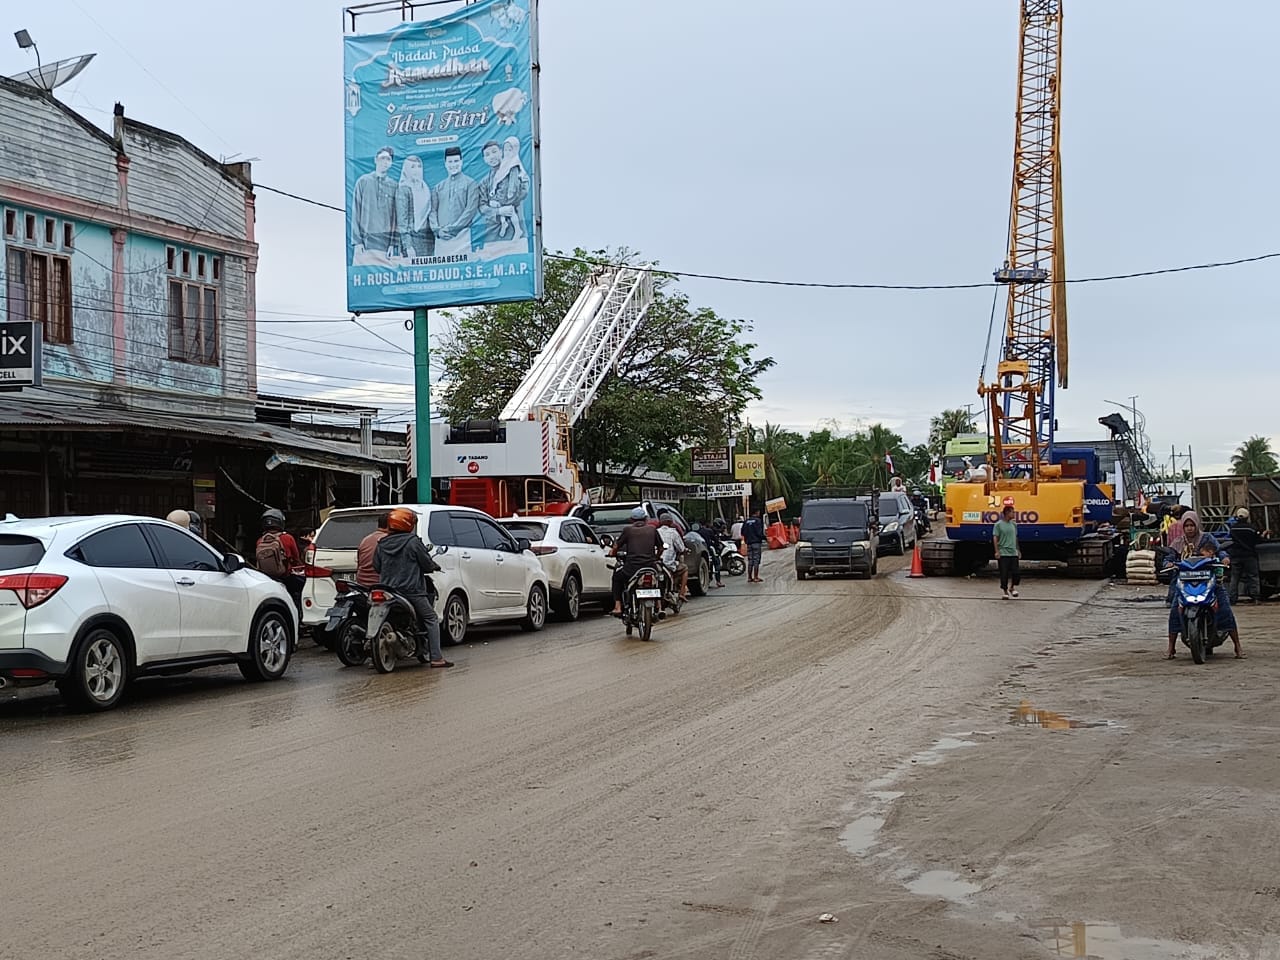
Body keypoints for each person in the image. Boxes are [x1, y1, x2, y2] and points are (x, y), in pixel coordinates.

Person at [373, 507, 452, 668]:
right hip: (412, 591)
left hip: (388, 591)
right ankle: (436, 658)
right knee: (431, 619)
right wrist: (433, 567)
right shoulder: (413, 542)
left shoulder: (382, 543)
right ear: (408, 524)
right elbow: (426, 564)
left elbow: (377, 566)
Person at [1162, 510, 1244, 660]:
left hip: (1209, 581)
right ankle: (1171, 648)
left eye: (1192, 525)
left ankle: (1237, 646)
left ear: (1197, 524)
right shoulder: (1178, 542)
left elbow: (1220, 551)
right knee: (1175, 613)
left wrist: (1224, 559)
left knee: (1225, 610)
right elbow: (1170, 556)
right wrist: (1168, 562)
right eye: (1186, 526)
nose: (1189, 528)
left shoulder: (1207, 538)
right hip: (1185, 583)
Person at [609, 507, 664, 616]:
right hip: (650, 566)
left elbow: (616, 546)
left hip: (631, 569)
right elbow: (661, 548)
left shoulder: (627, 530)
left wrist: (612, 553)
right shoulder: (652, 529)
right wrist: (656, 558)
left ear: (631, 520)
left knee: (616, 577)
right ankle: (659, 606)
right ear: (645, 519)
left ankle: (618, 606)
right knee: (660, 578)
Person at [431, 146, 480, 257]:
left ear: (462, 161)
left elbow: (470, 210)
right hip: (441, 237)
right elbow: (432, 211)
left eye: (456, 161)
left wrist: (453, 229)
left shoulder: (471, 184)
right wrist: (438, 231)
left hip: (462, 236)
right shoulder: (438, 187)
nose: (453, 164)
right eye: (450, 162)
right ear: (445, 163)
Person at [351, 146, 397, 261]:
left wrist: (393, 244)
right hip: (364, 245)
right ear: (375, 160)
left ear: (391, 163)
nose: (385, 162)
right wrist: (357, 242)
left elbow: (395, 218)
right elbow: (356, 212)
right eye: (382, 158)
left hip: (386, 249)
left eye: (388, 159)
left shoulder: (394, 186)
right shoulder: (363, 181)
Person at [256, 508, 304, 613]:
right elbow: (296, 559)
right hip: (286, 577)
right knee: (304, 587)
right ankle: (300, 614)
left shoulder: (260, 541)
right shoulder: (288, 538)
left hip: (267, 579)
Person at [394, 155, 434, 259]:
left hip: (428, 239)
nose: (416, 170)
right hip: (412, 239)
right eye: (412, 167)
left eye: (419, 166)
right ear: (406, 170)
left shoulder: (425, 188)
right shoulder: (403, 189)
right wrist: (408, 246)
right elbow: (402, 220)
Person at [1227, 507, 1261, 604]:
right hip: (1249, 555)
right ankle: (1255, 597)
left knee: (1234, 578)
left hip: (1236, 555)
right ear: (1247, 517)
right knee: (1253, 576)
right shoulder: (1251, 528)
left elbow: (1231, 539)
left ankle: (1232, 599)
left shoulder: (1233, 528)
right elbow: (1257, 540)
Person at [657, 510, 689, 602]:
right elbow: (681, 549)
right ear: (670, 522)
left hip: (656, 562)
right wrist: (685, 550)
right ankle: (682, 592)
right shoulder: (673, 532)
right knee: (685, 568)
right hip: (667, 564)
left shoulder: (655, 531)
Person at [992, 498, 1021, 599]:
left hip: (1013, 552)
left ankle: (1012, 587)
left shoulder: (1014, 524)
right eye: (1012, 512)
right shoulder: (998, 525)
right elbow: (995, 538)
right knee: (1004, 573)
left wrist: (1018, 550)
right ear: (1007, 513)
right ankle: (1005, 591)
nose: (1014, 514)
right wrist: (997, 551)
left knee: (1016, 572)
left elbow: (1016, 537)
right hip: (1003, 552)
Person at [356, 512, 391, 588]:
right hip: (383, 585)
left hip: (362, 584)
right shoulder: (390, 540)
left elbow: (359, 563)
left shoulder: (365, 540)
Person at [742, 509, 766, 583]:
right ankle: (755, 577)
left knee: (750, 560)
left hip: (749, 543)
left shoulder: (746, 521)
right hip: (756, 543)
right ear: (757, 512)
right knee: (756, 560)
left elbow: (743, 532)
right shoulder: (758, 521)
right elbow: (759, 533)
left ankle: (749, 577)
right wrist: (764, 538)